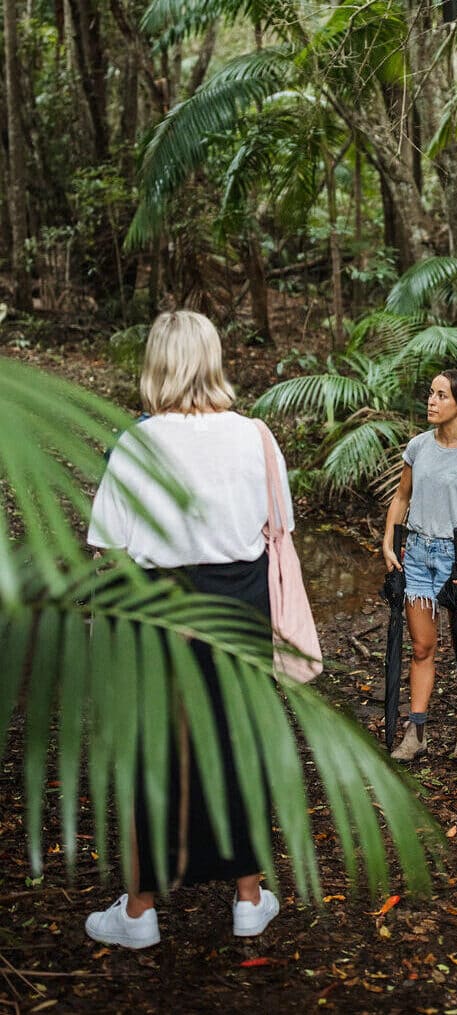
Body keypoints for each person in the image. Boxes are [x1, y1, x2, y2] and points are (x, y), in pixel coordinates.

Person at [84, 310, 289, 949]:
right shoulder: (255, 436)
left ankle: (141, 912)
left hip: (158, 609)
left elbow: (107, 548)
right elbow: (276, 527)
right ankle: (249, 898)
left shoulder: (136, 444)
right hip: (240, 605)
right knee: (238, 740)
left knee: (154, 749)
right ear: (214, 360)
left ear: (156, 364)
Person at [383, 369, 457, 763]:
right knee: (422, 647)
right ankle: (416, 733)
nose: (431, 401)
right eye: (430, 393)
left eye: (441, 395)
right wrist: (387, 541)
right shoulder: (418, 447)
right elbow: (401, 498)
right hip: (416, 554)